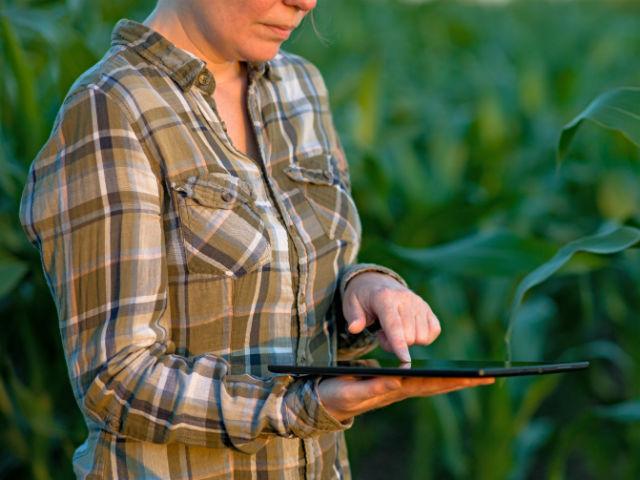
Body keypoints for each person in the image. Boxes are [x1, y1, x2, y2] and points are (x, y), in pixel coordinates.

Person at [19, 0, 494, 478]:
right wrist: (299, 407)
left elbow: (294, 289)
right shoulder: (112, 107)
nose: (305, 3)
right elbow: (117, 378)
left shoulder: (300, 86)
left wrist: (366, 292)